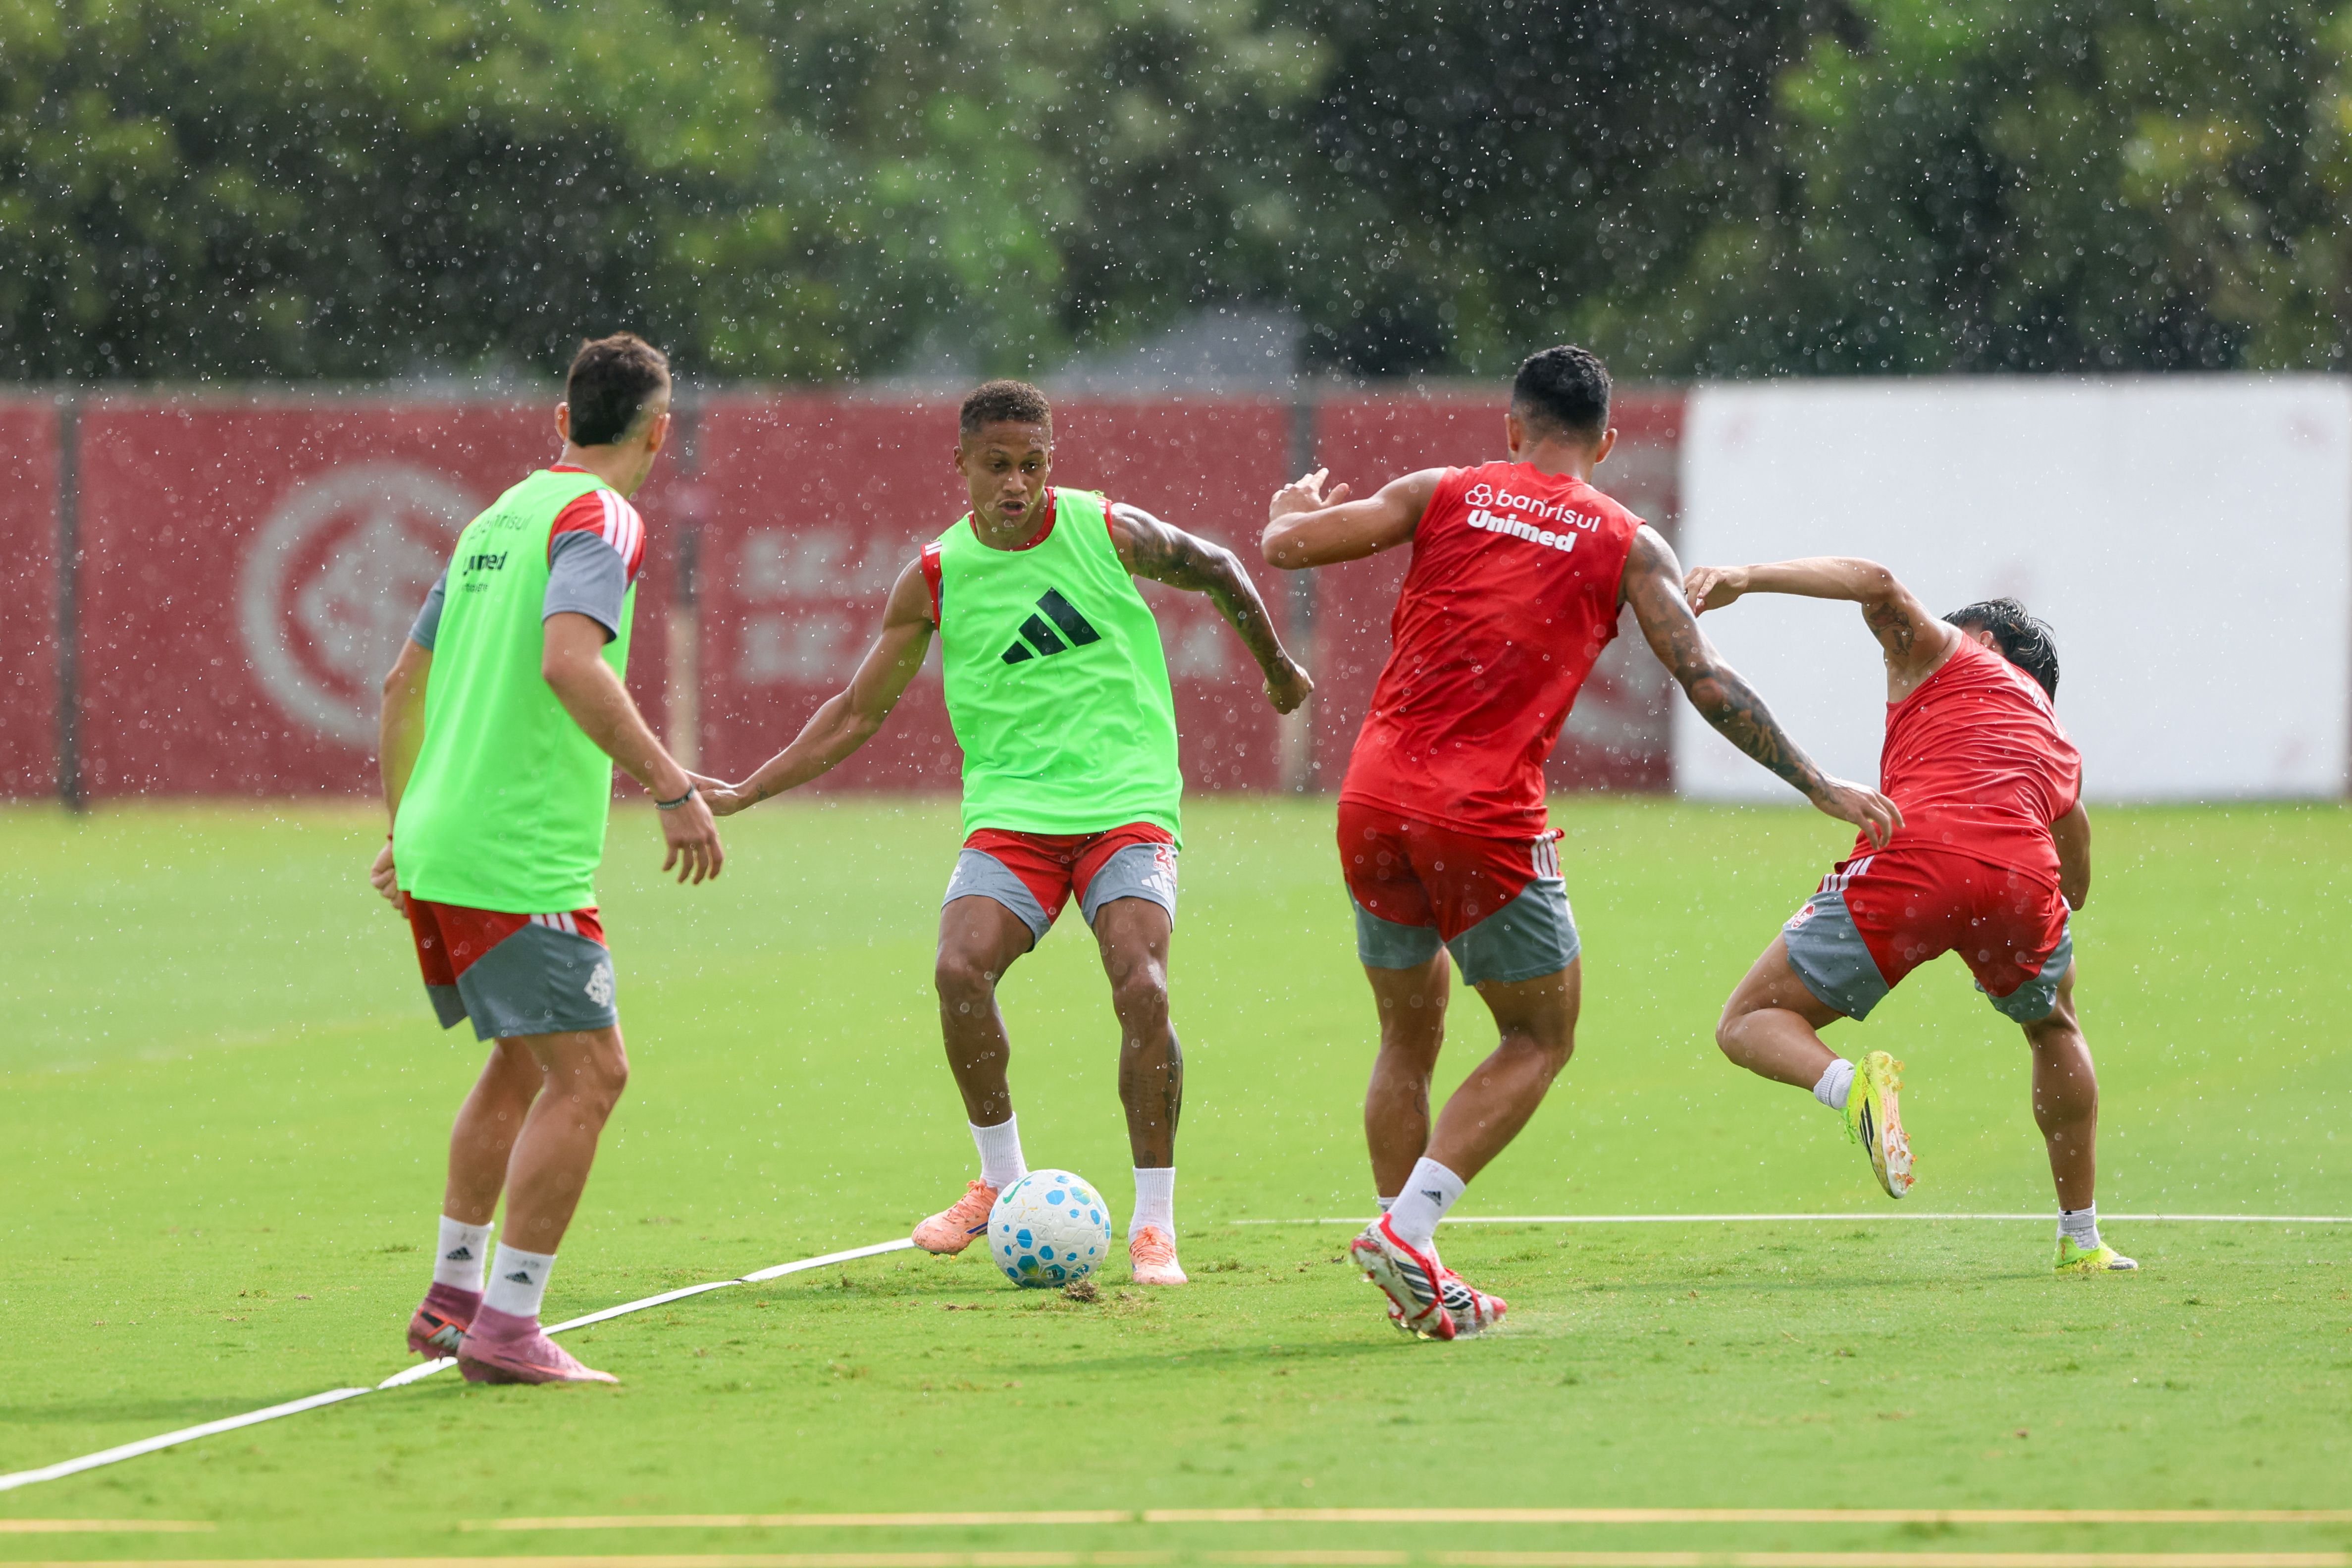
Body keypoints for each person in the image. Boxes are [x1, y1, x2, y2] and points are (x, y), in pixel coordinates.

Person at [1261, 346, 1898, 1339]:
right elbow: (1706, 679)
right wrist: (1816, 781)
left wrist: (1285, 506)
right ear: (1606, 441)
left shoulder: (1441, 490)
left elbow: (1288, 549)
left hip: (1372, 798)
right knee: (1537, 1034)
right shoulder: (1624, 539)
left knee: (1405, 1032)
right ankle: (1408, 1227)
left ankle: (1411, 1263)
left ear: (1511, 427)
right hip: (1481, 818)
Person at [702, 379, 1312, 1286]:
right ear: (962, 466)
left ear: (1048, 463)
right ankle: (1000, 1183)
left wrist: (1278, 670)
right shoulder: (938, 577)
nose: (1016, 483)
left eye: (1031, 464)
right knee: (957, 969)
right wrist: (752, 789)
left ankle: (1154, 1225)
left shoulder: (1105, 531)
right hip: (1014, 817)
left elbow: (1217, 564)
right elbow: (856, 711)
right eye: (997, 466)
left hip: (1125, 804)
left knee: (1141, 986)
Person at [370, 332, 726, 1384]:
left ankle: (452, 1295)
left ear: (560, 421)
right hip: (512, 854)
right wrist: (672, 786)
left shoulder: (496, 517)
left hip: (445, 837)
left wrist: (405, 827)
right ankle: (508, 1324)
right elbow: (571, 662)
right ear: (659, 433)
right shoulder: (599, 515)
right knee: (593, 1071)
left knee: (525, 1058)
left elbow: (400, 685)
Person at [1685, 559, 2134, 1273]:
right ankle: (2080, 1239)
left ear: (1985, 639)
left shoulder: (1946, 655)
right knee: (2053, 1023)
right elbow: (2075, 869)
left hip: (1915, 855)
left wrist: (1746, 576)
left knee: (1746, 1021)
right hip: (2021, 875)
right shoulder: (2053, 736)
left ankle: (1848, 1088)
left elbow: (1876, 581)